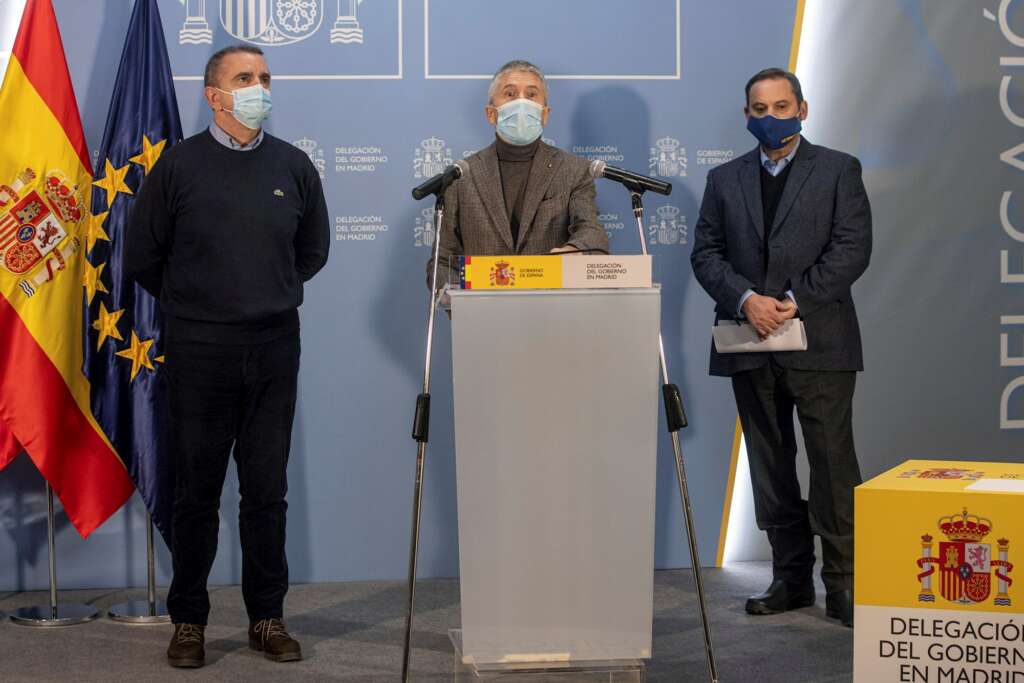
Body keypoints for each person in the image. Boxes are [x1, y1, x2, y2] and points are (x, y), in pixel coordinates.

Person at [125, 44, 330, 667]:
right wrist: (202, 302)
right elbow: (143, 258)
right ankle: (189, 621)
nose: (259, 87)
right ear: (214, 95)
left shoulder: (293, 165)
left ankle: (267, 617)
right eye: (245, 78)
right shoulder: (178, 166)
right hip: (200, 352)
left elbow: (312, 251)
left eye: (264, 77)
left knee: (267, 493)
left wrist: (264, 293)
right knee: (197, 495)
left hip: (273, 350)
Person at [690, 67, 872, 627]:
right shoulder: (724, 179)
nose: (770, 117)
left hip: (820, 342)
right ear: (747, 115)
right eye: (760, 109)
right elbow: (706, 254)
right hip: (750, 342)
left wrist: (794, 300)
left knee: (832, 465)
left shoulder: (839, 169)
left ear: (802, 109)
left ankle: (844, 583)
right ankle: (790, 580)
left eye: (781, 107)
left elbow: (852, 248)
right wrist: (747, 299)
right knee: (770, 468)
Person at [428, 60, 608, 287]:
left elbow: (592, 232)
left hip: (552, 303)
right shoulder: (460, 176)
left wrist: (575, 250)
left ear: (545, 114)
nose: (522, 102)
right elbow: (442, 261)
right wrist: (457, 298)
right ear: (491, 114)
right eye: (510, 94)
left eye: (531, 95)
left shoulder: (574, 170)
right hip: (483, 305)